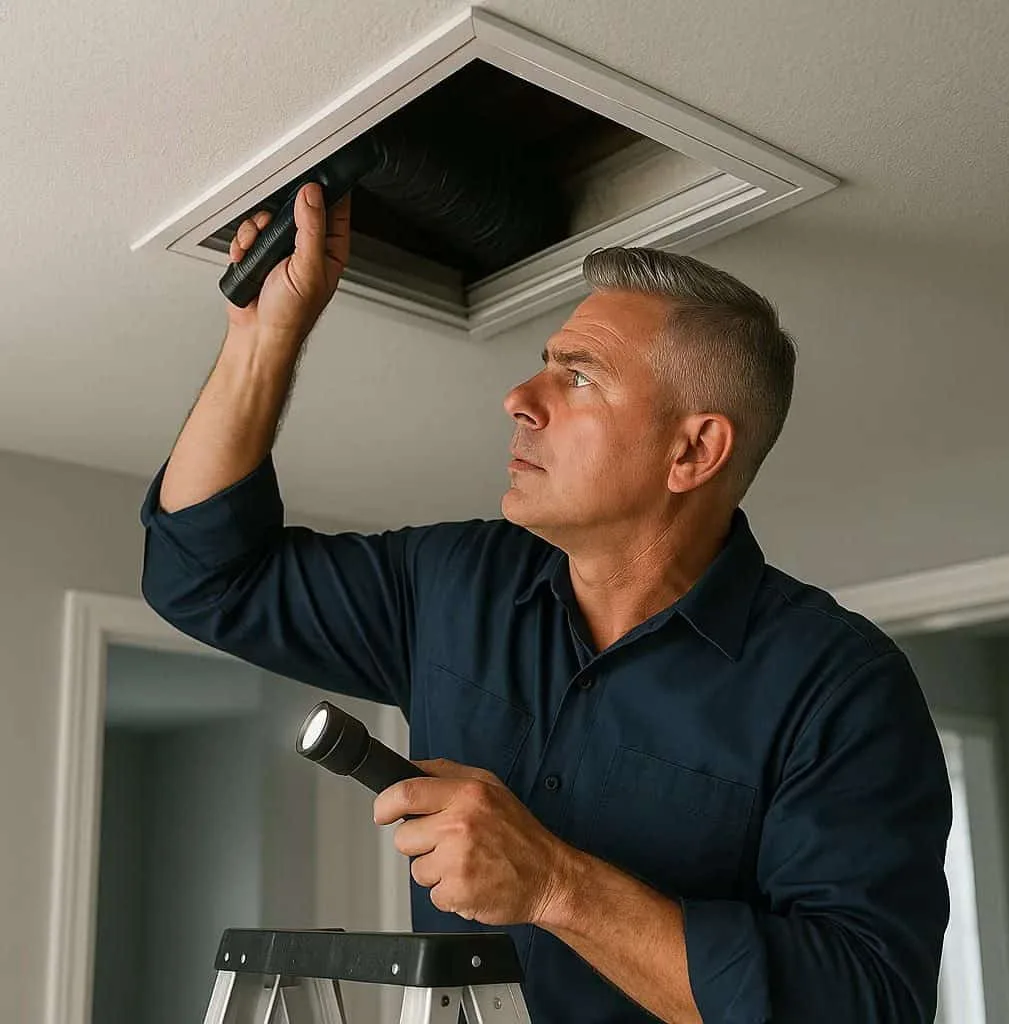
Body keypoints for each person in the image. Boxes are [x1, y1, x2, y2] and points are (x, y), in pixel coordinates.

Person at [139, 181, 952, 1024]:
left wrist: (555, 884)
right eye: (544, 364)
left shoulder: (841, 689)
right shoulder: (455, 581)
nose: (519, 400)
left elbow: (866, 1005)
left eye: (578, 376)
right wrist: (265, 337)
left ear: (694, 450)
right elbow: (204, 576)